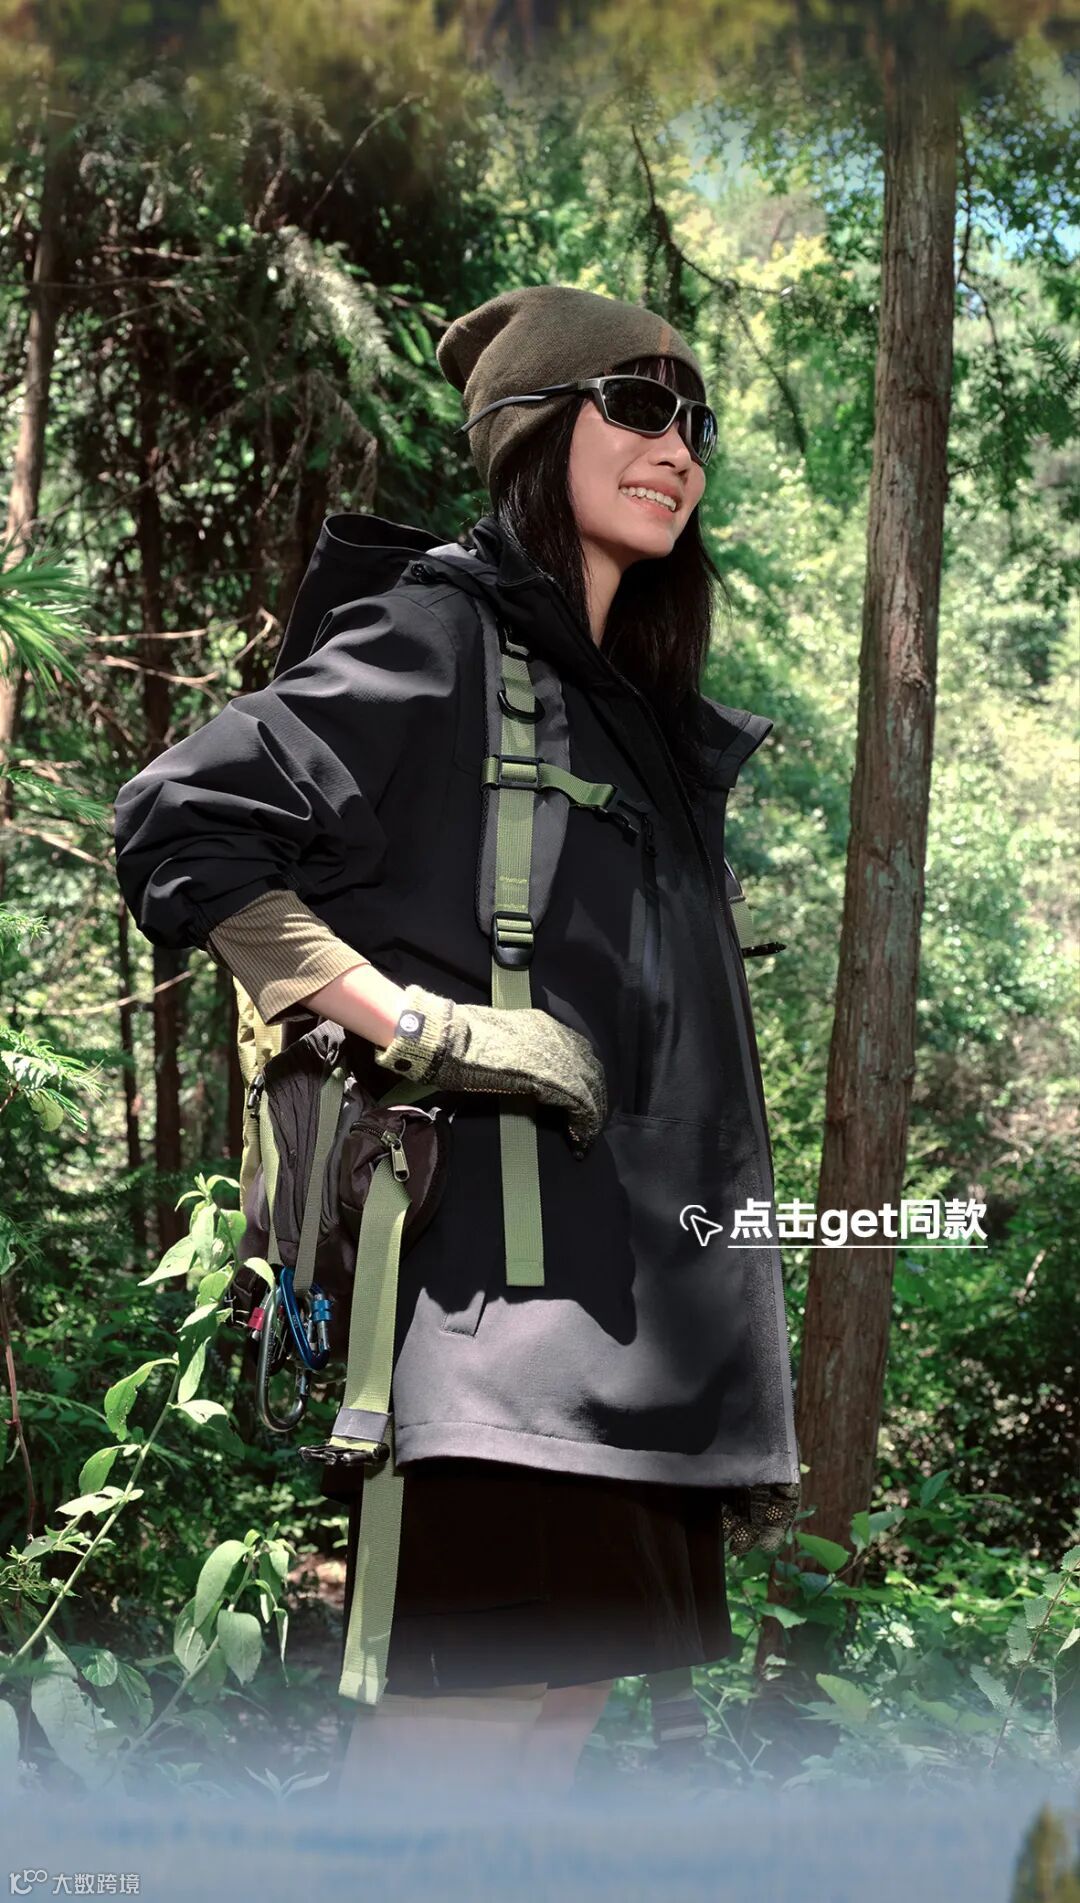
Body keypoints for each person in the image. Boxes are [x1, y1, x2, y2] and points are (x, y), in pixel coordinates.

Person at [113, 283, 800, 1796]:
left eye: (695, 421)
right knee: (448, 1774)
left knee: (545, 1751)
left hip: (634, 1342)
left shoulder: (629, 712)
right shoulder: (439, 636)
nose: (679, 448)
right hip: (495, 1341)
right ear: (534, 429)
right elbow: (182, 820)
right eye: (638, 406)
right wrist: (418, 1024)